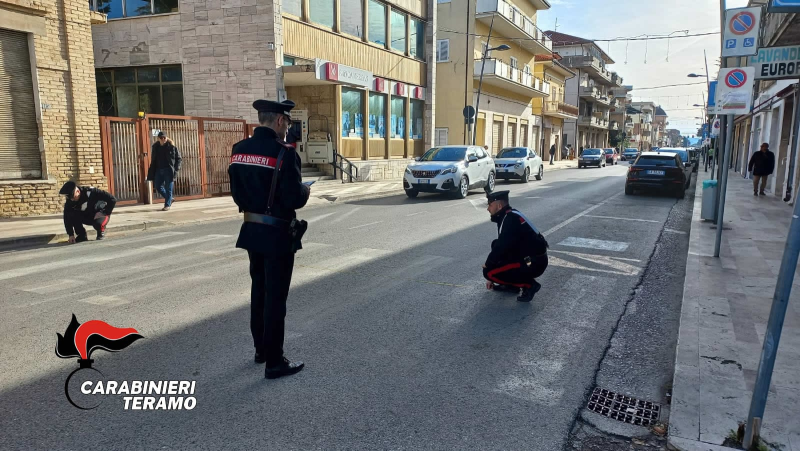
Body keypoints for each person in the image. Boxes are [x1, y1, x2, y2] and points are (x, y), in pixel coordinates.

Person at [228, 99, 311, 380]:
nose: (287, 128)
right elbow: (293, 198)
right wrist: (305, 191)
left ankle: (261, 349)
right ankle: (275, 361)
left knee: (259, 291)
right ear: (278, 121)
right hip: (277, 234)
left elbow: (237, 194)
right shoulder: (284, 154)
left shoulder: (238, 150)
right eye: (287, 122)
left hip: (251, 229)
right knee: (276, 298)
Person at [482, 190, 549, 302]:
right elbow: (502, 245)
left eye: (490, 205)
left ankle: (529, 285)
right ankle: (512, 285)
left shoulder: (509, 219)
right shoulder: (509, 214)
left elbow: (502, 247)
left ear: (499, 206)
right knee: (495, 244)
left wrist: (488, 264)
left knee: (489, 272)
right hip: (532, 258)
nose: (488, 209)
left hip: (533, 263)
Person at [146, 132, 182, 211]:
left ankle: (167, 205)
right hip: (159, 170)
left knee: (168, 188)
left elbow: (179, 159)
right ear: (158, 138)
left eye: (164, 138)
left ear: (166, 138)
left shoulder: (172, 147)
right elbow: (153, 159)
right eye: (161, 138)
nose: (163, 139)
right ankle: (169, 198)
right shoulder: (155, 147)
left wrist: (176, 169)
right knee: (158, 186)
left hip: (169, 170)